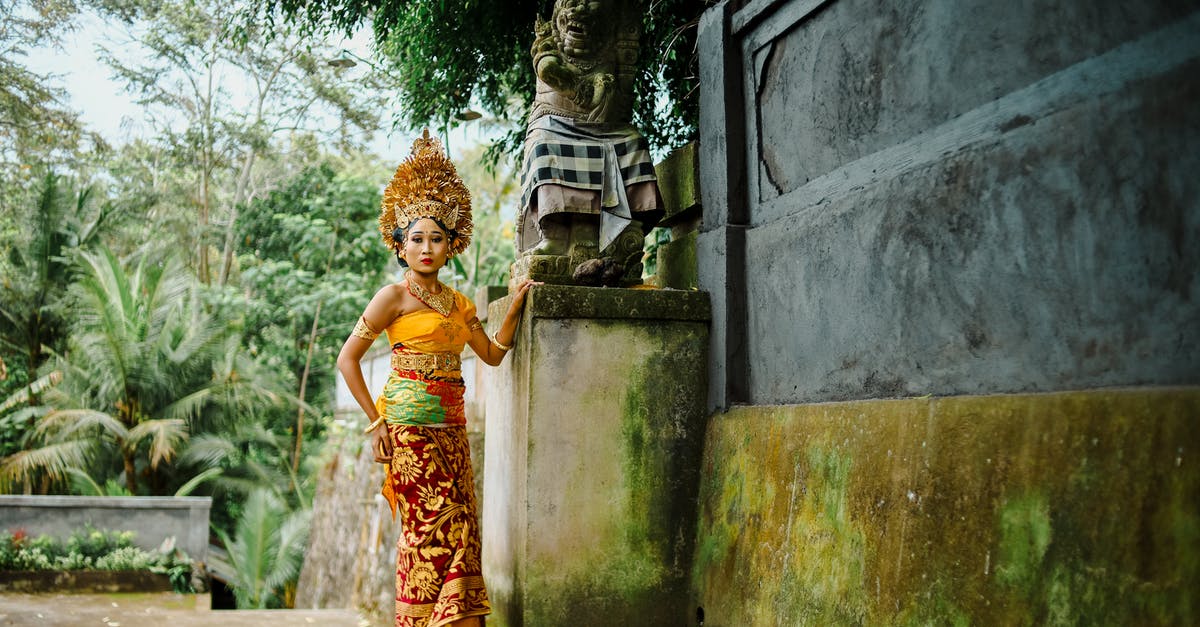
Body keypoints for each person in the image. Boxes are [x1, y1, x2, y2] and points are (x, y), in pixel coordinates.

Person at [337, 131, 538, 627]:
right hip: (408, 431)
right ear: (401, 247)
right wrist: (376, 422)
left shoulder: (460, 303)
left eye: (436, 239)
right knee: (426, 530)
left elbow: (491, 355)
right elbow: (348, 360)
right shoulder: (391, 298)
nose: (427, 247)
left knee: (462, 528)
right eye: (417, 239)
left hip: (451, 433)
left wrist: (513, 307)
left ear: (451, 247)